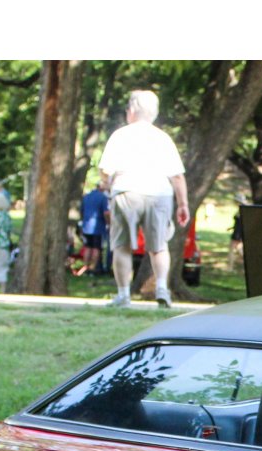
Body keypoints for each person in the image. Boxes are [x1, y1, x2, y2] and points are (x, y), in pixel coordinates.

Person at [99, 90, 189, 308]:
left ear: (131, 111)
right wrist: (183, 203)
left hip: (127, 190)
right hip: (159, 193)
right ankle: (161, 289)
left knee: (122, 245)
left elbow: (105, 170)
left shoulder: (120, 135)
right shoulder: (163, 138)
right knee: (158, 246)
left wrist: (108, 185)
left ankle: (123, 295)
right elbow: (177, 175)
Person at [77, 176, 109, 277]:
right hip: (98, 227)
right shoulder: (103, 198)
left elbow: (81, 211)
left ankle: (85, 268)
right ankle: (93, 269)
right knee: (96, 248)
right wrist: (108, 223)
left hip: (86, 226)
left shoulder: (86, 197)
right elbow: (106, 213)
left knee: (87, 247)